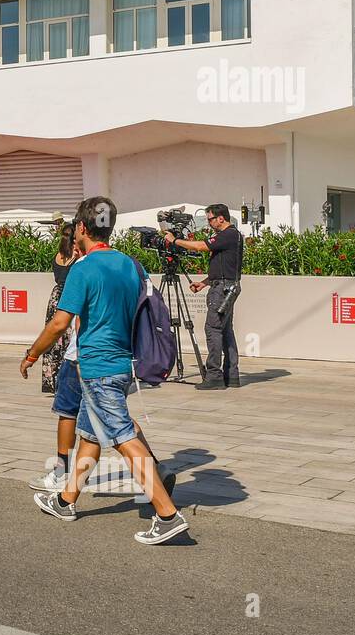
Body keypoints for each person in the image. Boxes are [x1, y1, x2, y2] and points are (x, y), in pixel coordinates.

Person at [21, 196, 188, 546]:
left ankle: (167, 514)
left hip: (96, 366)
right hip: (122, 363)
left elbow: (59, 323)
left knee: (125, 440)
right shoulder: (130, 265)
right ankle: (66, 501)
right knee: (90, 437)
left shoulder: (83, 268)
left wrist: (33, 354)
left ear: (81, 228)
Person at [165, 203, 243, 390]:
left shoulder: (229, 235)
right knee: (225, 331)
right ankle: (231, 375)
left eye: (210, 219)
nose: (208, 224)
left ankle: (214, 376)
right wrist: (205, 283)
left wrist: (175, 241)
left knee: (213, 329)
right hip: (226, 286)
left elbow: (201, 246)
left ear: (221, 218)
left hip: (223, 289)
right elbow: (225, 268)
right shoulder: (231, 237)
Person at [41, 223, 80, 395]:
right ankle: (66, 381)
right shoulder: (76, 258)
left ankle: (52, 380)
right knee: (68, 339)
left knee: (54, 339)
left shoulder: (58, 255)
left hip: (55, 296)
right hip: (69, 296)